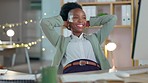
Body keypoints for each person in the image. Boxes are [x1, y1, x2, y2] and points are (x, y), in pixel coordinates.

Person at [40, 2, 117, 74]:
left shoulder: (95, 38)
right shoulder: (61, 41)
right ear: (68, 21)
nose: (80, 20)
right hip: (71, 72)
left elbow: (112, 19)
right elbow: (44, 23)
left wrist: (89, 23)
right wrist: (64, 22)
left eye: (83, 17)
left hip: (94, 71)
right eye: (75, 18)